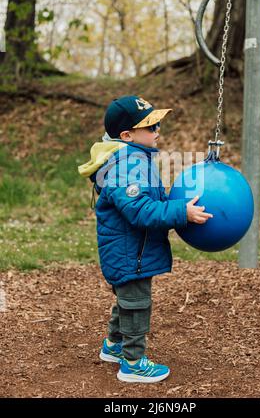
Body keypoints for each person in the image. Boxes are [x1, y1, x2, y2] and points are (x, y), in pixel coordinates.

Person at [78, 95, 213, 383]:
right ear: (127, 135)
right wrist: (181, 212)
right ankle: (133, 363)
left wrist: (176, 204)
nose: (157, 131)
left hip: (131, 251)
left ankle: (113, 346)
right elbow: (141, 211)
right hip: (130, 253)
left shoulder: (132, 159)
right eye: (150, 127)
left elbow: (149, 198)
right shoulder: (125, 167)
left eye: (157, 124)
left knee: (127, 299)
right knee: (136, 303)